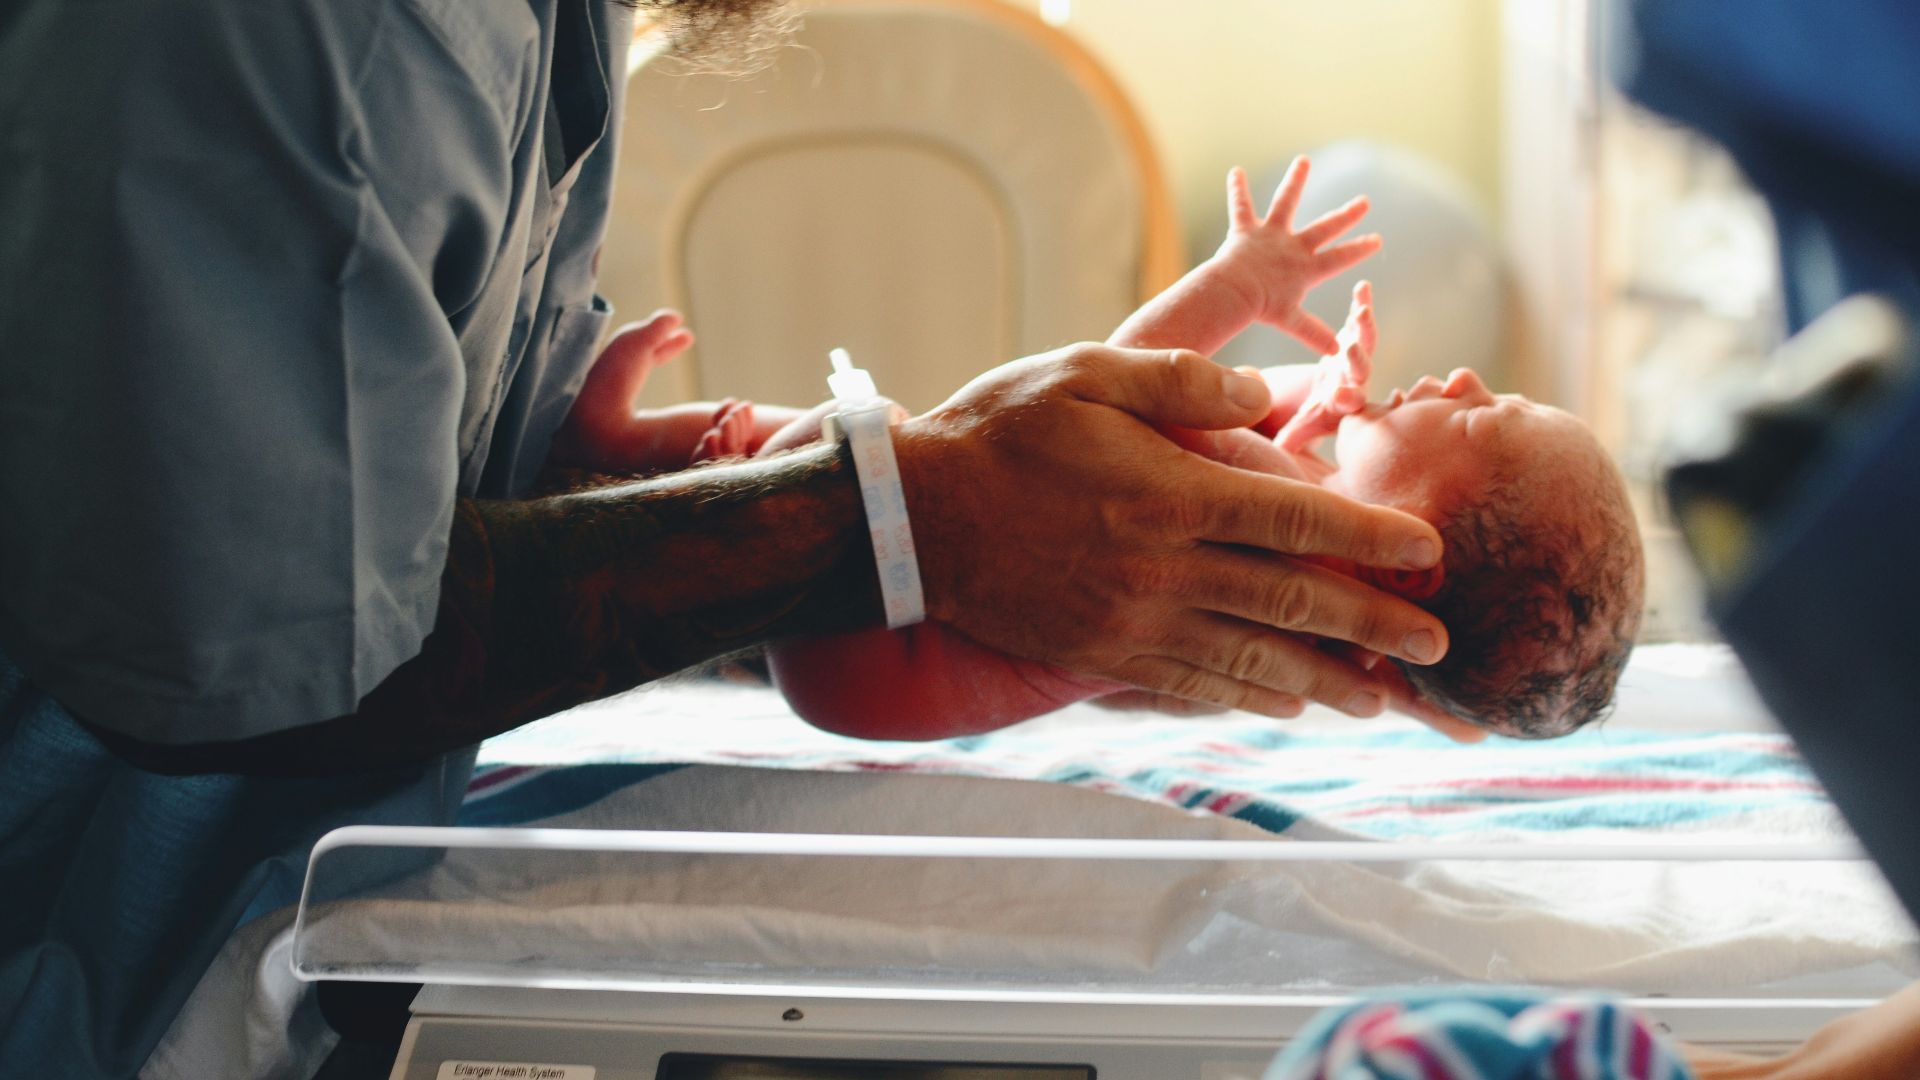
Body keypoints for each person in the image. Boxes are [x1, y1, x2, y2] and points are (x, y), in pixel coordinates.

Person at [0, 3, 1456, 1074]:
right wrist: (896, 514)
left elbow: (314, 482)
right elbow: (270, 645)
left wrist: (565, 477)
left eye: (1485, 422)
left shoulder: (530, 34)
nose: (1446, 387)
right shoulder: (323, 37)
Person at [572, 166, 1644, 741]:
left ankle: (619, 453)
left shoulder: (1269, 521)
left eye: (1476, 419)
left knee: (831, 441)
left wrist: (1243, 286)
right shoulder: (1309, 586)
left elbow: (1107, 406)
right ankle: (631, 454)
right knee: (822, 444)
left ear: (1408, 563)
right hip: (876, 669)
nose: (1458, 379)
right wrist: (1326, 413)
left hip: (880, 641)